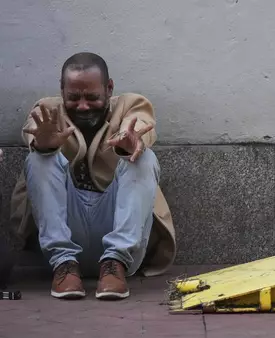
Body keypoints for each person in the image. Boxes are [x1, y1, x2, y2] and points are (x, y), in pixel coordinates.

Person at [9, 52, 177, 300]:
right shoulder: (48, 111)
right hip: (62, 240)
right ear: (62, 90)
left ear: (109, 88)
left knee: (144, 158)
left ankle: (114, 264)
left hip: (120, 241)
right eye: (74, 97)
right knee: (38, 158)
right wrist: (43, 145)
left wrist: (132, 142)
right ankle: (65, 266)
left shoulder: (131, 105)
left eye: (92, 97)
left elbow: (140, 124)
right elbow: (33, 131)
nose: (83, 106)